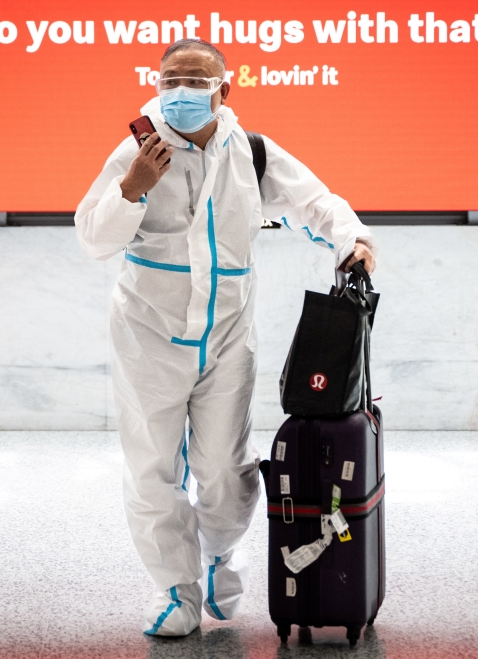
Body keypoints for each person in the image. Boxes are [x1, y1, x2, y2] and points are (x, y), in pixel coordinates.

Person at [75, 38, 377, 637]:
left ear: (223, 90)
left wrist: (354, 240)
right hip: (147, 335)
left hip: (227, 335)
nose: (181, 92)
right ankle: (175, 591)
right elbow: (92, 238)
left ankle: (220, 554)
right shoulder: (137, 150)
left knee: (224, 465)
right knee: (152, 468)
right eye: (170, 81)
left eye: (195, 81)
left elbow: (316, 202)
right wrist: (132, 187)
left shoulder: (253, 153)